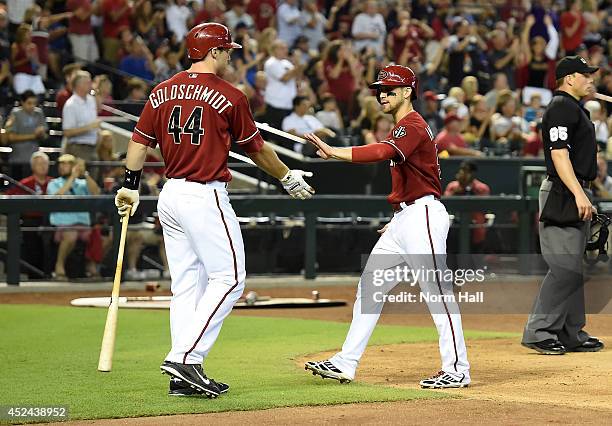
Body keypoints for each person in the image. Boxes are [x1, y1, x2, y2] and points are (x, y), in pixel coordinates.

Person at [113, 23, 315, 398]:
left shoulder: (161, 90)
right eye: (226, 50)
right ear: (212, 52)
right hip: (203, 194)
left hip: (170, 194)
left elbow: (139, 143)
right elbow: (256, 150)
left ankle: (183, 374)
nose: (229, 56)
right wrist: (287, 177)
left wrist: (129, 184)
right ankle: (185, 358)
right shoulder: (229, 95)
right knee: (231, 278)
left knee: (187, 286)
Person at [303, 65, 471, 389]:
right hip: (404, 219)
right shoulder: (403, 126)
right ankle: (346, 362)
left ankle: (458, 368)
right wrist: (398, 220)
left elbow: (382, 152)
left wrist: (335, 152)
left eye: (389, 89)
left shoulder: (413, 124)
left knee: (437, 293)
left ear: (408, 92)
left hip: (422, 214)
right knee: (370, 289)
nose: (382, 94)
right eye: (380, 89)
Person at [522, 56, 604, 355]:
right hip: (562, 191)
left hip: (573, 189)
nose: (591, 79)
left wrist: (584, 192)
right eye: (585, 75)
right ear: (569, 78)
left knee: (572, 267)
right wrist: (579, 195)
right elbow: (559, 155)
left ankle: (571, 332)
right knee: (564, 268)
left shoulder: (573, 108)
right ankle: (539, 331)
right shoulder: (560, 107)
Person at [48, 154, 101, 279]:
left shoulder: (82, 183)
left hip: (83, 224)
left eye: (66, 164)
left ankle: (92, 266)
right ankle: (59, 266)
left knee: (102, 235)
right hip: (63, 224)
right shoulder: (54, 183)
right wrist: (72, 177)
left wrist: (85, 174)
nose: (63, 167)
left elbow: (96, 192)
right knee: (71, 234)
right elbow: (57, 196)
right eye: (61, 164)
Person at [444, 161, 491, 251]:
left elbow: (483, 207)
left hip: (475, 227)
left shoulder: (482, 188)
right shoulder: (452, 187)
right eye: (461, 170)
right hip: (455, 227)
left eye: (466, 171)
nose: (463, 173)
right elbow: (446, 203)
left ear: (473, 173)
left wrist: (470, 190)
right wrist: (458, 190)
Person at [4, 90, 48, 180]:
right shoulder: (15, 114)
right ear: (22, 102)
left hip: (34, 161)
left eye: (34, 103)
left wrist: (41, 133)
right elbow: (11, 137)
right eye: (29, 103)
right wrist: (33, 136)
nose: (32, 106)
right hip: (17, 159)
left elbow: (45, 136)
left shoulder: (39, 113)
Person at [62, 70, 100, 162]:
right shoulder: (71, 104)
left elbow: (99, 108)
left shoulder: (91, 100)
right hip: (78, 148)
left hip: (93, 147)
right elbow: (67, 132)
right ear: (79, 85)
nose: (91, 84)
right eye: (88, 82)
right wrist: (89, 127)